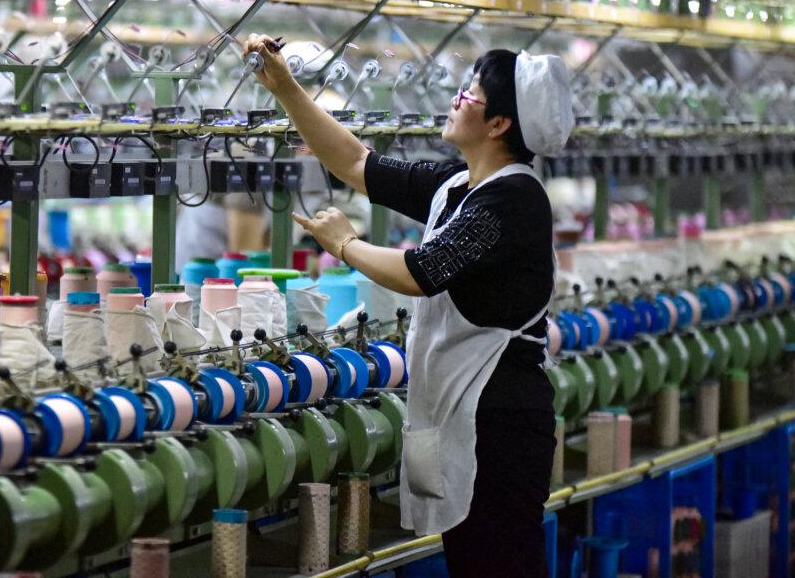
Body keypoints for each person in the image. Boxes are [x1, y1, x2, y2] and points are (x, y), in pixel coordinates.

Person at [243, 35, 573, 577]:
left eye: (470, 96)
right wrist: (285, 87)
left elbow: (423, 271)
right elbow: (355, 162)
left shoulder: (513, 200)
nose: (456, 99)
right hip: (464, 413)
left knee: (502, 565)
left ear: (499, 126)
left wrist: (345, 244)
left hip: (502, 425)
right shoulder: (459, 185)